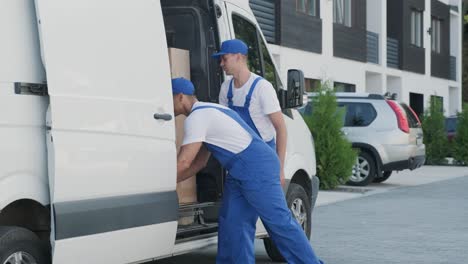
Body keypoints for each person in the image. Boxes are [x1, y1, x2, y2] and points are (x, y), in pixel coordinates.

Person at [172, 77, 323, 264]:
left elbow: (185, 161)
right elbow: (198, 164)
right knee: (233, 223)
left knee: (279, 223)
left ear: (179, 97)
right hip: (239, 171)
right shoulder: (210, 110)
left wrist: (162, 182)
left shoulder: (197, 118)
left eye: (169, 99)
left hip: (257, 167)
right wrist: (173, 182)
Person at [213, 39, 287, 186]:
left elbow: (281, 129)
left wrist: (279, 169)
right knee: (232, 209)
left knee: (265, 208)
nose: (221, 63)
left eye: (224, 58)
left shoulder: (262, 88)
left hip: (263, 160)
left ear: (239, 57)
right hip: (238, 161)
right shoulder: (225, 88)